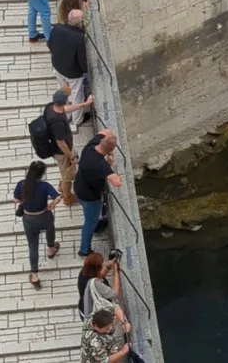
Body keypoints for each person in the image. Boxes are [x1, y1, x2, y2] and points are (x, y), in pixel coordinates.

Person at [40, 87, 94, 207]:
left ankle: (62, 186)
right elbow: (61, 143)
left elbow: (65, 109)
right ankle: (67, 198)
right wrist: (71, 155)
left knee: (65, 172)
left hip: (59, 149)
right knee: (68, 176)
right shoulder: (57, 122)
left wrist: (84, 105)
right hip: (62, 152)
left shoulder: (50, 107)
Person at [12, 160, 61, 289]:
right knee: (50, 228)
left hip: (29, 218)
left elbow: (16, 199)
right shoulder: (44, 186)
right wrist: (52, 205)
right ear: (41, 174)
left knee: (33, 245)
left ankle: (34, 275)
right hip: (44, 215)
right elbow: (57, 197)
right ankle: (51, 249)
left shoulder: (22, 184)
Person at [74, 129, 122, 257]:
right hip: (90, 197)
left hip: (78, 187)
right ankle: (84, 250)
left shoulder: (90, 147)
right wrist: (113, 169)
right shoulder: (101, 165)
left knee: (90, 217)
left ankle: (95, 224)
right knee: (90, 222)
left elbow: (107, 131)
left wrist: (109, 153)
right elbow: (117, 182)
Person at [49, 7, 88, 125]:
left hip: (57, 66)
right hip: (72, 72)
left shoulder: (57, 28)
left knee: (65, 91)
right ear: (79, 23)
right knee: (77, 95)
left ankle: (66, 114)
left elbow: (50, 44)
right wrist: (84, 71)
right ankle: (77, 119)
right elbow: (82, 60)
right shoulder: (79, 38)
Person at [77, 253, 130, 334]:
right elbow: (114, 293)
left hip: (85, 309)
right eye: (102, 264)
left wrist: (108, 267)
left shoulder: (84, 273)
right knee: (103, 330)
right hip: (95, 314)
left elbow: (99, 275)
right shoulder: (96, 284)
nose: (103, 264)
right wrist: (116, 271)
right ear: (97, 268)